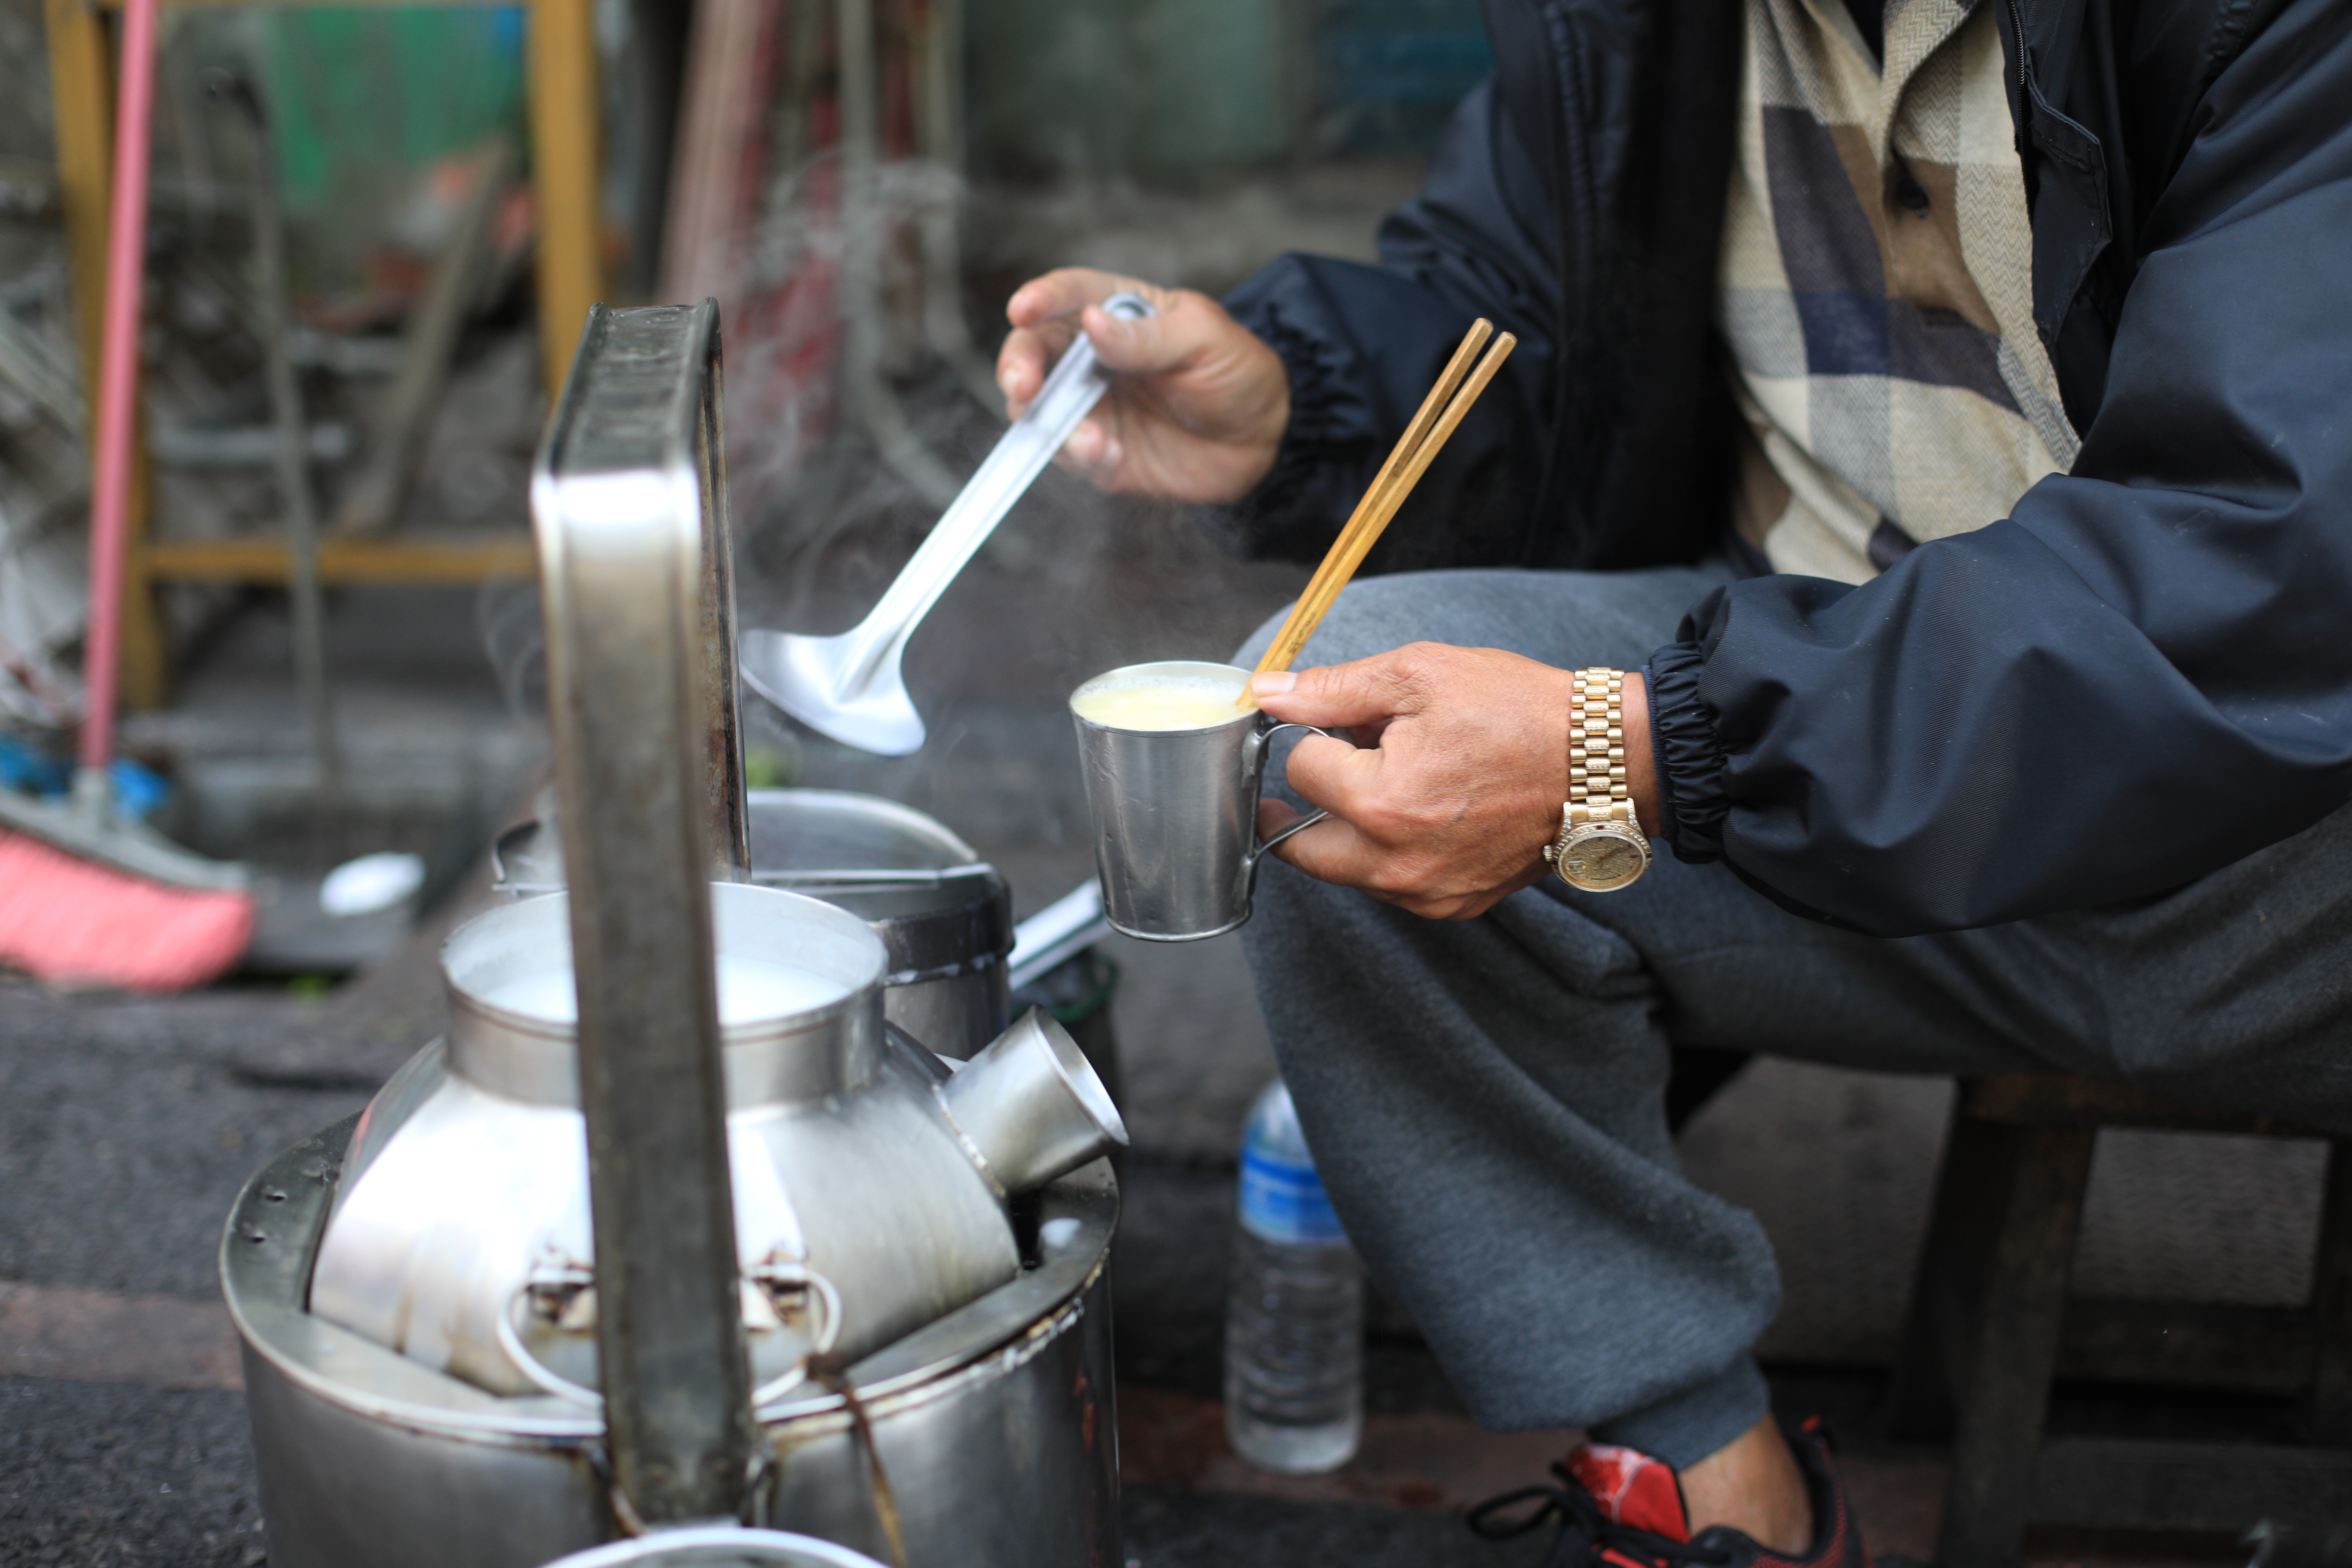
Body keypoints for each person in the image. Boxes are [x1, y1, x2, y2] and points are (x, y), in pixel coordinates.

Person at [997, 0, 2352, 1558]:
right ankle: (1711, 1484)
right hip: (1835, 769)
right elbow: (1548, 321)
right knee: (1334, 743)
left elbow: (2266, 560)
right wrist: (1307, 404)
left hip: (2290, 870)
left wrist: (1639, 746)